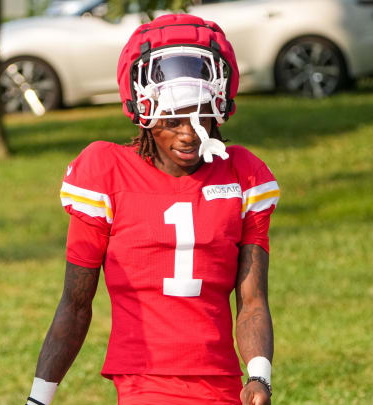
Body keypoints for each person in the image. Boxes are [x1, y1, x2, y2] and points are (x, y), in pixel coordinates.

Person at [24, 14, 279, 405]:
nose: (189, 133)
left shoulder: (242, 173)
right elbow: (75, 304)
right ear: (144, 113)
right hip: (144, 379)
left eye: (200, 115)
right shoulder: (105, 171)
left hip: (224, 382)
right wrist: (39, 398)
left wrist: (259, 376)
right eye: (173, 118)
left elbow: (253, 301)